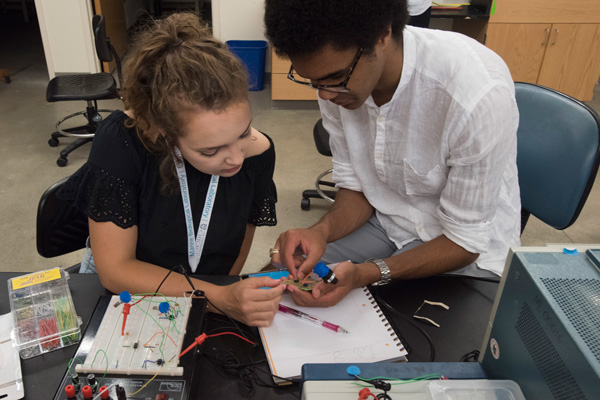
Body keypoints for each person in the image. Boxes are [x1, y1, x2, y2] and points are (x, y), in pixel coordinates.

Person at [264, 0, 521, 307]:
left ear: (382, 35)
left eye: (336, 77)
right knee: (274, 281)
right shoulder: (334, 84)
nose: (326, 95)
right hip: (386, 221)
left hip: (462, 247)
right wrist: (321, 231)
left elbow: (464, 242)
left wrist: (367, 273)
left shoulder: (475, 94)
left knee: (387, 322)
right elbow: (357, 188)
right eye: (314, 82)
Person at [58, 13, 284, 327]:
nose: (235, 158)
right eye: (210, 150)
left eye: (243, 132)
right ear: (165, 133)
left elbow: (241, 239)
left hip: (205, 294)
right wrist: (215, 298)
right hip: (128, 295)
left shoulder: (258, 154)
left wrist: (226, 295)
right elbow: (115, 271)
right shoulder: (121, 142)